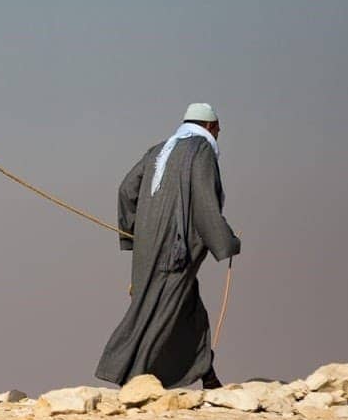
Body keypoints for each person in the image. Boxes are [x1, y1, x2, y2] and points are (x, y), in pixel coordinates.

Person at [96, 103, 240, 389]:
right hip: (175, 251)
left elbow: (127, 189)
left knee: (188, 311)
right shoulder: (201, 151)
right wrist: (226, 240)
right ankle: (131, 379)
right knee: (158, 310)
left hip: (148, 246)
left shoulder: (159, 150)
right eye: (219, 128)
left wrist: (134, 233)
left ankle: (208, 376)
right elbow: (204, 203)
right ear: (210, 126)